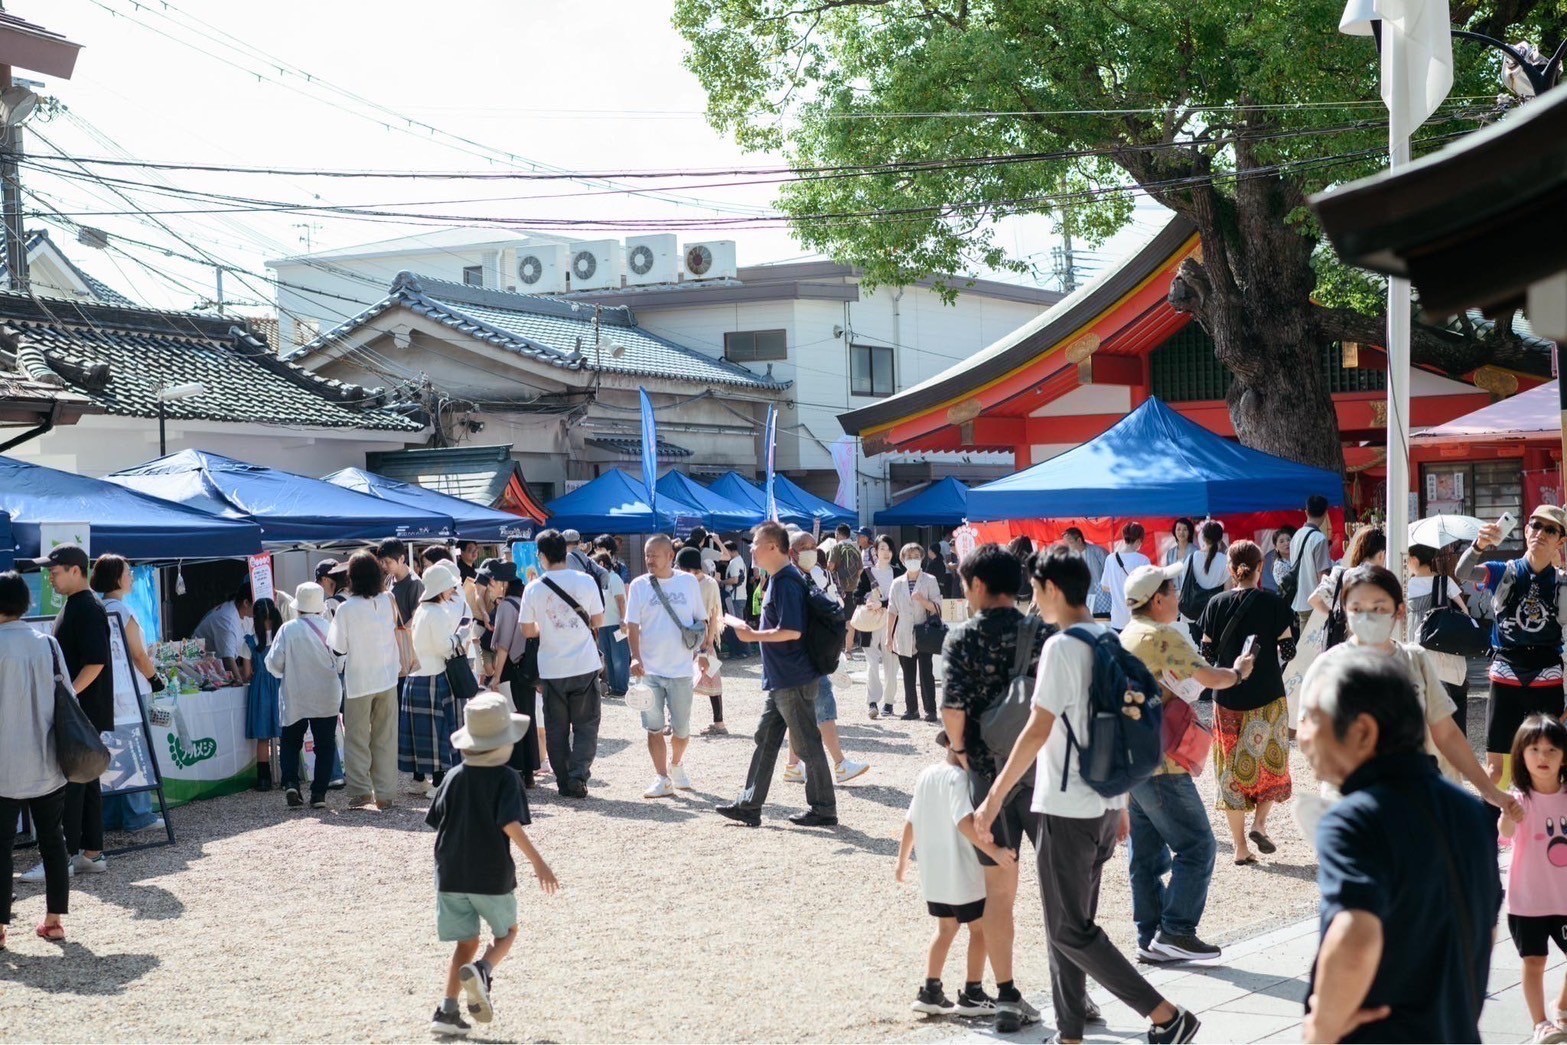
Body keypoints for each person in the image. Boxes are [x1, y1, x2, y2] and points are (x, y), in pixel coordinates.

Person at [974, 548, 1200, 1044]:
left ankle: (1166, 1015)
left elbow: (1037, 729)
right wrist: (1119, 805)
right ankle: (1070, 1033)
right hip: (1100, 805)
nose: (1034, 600)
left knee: (1069, 931)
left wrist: (993, 800)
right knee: (1070, 926)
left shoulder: (1061, 647)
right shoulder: (1107, 637)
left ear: (1052, 589)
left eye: (1035, 590)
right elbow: (1116, 729)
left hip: (1066, 806)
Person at [1299, 649, 1501, 1044]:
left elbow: (1355, 933)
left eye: (1311, 718)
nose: (1302, 732)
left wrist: (1320, 1032)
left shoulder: (1353, 819)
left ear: (1362, 732)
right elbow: (1487, 929)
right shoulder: (1471, 815)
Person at [1301, 565, 1521, 820]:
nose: (1368, 617)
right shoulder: (1328, 666)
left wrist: (1490, 792)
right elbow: (1310, 735)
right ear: (1345, 612)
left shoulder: (1415, 660)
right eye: (1357, 608)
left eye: (1379, 608)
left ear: (1399, 611)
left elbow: (1447, 734)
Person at [939, 543, 1050, 1032]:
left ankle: (1005, 995)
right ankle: (1075, 989)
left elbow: (953, 711)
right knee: (1062, 891)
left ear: (978, 586)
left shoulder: (962, 638)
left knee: (998, 895)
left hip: (988, 780)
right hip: (1046, 773)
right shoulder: (1045, 633)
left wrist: (964, 754)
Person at [1119, 562, 1251, 963]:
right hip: (1163, 763)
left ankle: (1151, 935)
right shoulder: (1161, 635)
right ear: (1157, 599)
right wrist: (1239, 672)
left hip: (1132, 760)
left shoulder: (1127, 634)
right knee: (1197, 846)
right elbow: (1208, 677)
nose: (1179, 596)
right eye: (1174, 590)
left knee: (1145, 856)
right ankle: (1176, 931)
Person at [425, 693, 558, 1038]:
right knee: (507, 932)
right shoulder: (506, 778)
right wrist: (539, 863)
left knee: (464, 943)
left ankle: (447, 1011)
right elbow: (509, 824)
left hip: (451, 875)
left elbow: (437, 822)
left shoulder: (452, 777)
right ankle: (483, 971)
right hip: (491, 874)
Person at [717, 521, 838, 829]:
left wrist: (751, 636)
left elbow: (792, 630)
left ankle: (824, 808)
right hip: (786, 677)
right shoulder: (781, 579)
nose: (751, 550)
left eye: (755, 544)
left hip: (792, 677)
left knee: (807, 743)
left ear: (773, 547)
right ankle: (750, 804)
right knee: (766, 739)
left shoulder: (785, 582)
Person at [1455, 505, 1567, 799]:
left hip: (1548, 676)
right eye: (1535, 525)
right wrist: (1480, 545)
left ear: (1561, 541)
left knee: (1550, 767)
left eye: (1550, 529)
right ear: (1527, 529)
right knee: (1497, 770)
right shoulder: (1503, 571)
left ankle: (1546, 834)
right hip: (1506, 675)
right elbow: (1463, 572)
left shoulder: (1562, 582)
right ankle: (1490, 835)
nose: (1540, 533)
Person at [1196, 541, 1297, 865]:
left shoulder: (1215, 604)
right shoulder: (1274, 602)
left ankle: (1240, 847)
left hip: (1226, 697)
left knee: (1229, 772)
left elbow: (1208, 653)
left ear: (1230, 569)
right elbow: (1288, 650)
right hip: (1267, 694)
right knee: (1272, 762)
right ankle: (1260, 823)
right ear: (1260, 568)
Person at [896, 729, 1005, 1018]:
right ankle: (973, 992)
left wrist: (902, 861)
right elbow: (963, 822)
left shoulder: (926, 774)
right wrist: (994, 852)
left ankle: (930, 990)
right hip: (963, 872)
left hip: (936, 875)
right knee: (979, 928)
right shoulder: (959, 779)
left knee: (944, 930)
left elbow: (911, 821)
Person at [29, 544, 112, 878]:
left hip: (80, 712)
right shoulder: (78, 605)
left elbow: (96, 662)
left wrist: (68, 697)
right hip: (83, 711)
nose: (51, 577)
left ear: (76, 570)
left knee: (70, 784)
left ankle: (61, 858)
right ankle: (91, 853)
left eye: (55, 571)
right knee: (87, 780)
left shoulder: (88, 607)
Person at [0, 571, 71, 943]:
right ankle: (54, 920)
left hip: (3, 766)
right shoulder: (48, 644)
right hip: (47, 759)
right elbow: (68, 700)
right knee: (52, 841)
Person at [520, 529, 605, 799]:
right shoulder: (586, 580)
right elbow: (599, 621)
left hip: (551, 667)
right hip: (584, 664)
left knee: (556, 728)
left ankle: (564, 781)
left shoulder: (533, 587)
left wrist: (546, 626)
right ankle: (578, 775)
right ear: (566, 552)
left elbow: (527, 631)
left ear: (542, 556)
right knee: (586, 725)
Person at [780, 531, 870, 786]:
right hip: (803, 654)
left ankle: (793, 766)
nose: (809, 550)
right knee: (823, 707)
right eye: (802, 546)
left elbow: (836, 602)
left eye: (812, 545)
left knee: (802, 711)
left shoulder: (820, 574)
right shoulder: (787, 578)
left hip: (815, 650)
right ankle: (839, 763)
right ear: (791, 551)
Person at [1499, 715, 1567, 1043]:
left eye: (1552, 750)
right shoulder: (1520, 799)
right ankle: (1540, 1022)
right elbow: (1504, 835)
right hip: (1528, 901)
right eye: (1535, 749)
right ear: (1521, 756)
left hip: (1564, 898)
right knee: (1535, 961)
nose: (1543, 757)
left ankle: (1562, 1008)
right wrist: (1506, 815)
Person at [626, 535, 705, 799]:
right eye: (647, 555)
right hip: (649, 671)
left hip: (681, 669)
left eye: (655, 555)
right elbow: (632, 625)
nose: (649, 559)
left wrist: (704, 651)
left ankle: (677, 763)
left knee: (682, 729)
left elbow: (700, 622)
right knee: (653, 727)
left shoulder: (688, 582)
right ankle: (662, 777)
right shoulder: (639, 585)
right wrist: (635, 657)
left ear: (670, 556)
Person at [90, 554, 164, 835]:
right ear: (117, 578)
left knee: (111, 753)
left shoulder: (96, 609)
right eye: (128, 571)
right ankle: (138, 815)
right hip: (130, 692)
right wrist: (155, 679)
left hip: (107, 692)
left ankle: (110, 816)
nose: (131, 576)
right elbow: (139, 656)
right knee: (135, 750)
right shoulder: (122, 611)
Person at [329, 551, 401, 812]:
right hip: (388, 676)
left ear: (352, 577)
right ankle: (385, 793)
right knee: (385, 736)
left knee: (357, 737)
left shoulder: (346, 608)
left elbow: (337, 646)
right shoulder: (388, 600)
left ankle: (360, 791)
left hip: (359, 679)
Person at [265, 581, 343, 809]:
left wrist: (287, 671)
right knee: (325, 744)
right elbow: (340, 663)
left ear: (298, 607)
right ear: (321, 607)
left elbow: (274, 663)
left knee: (290, 742)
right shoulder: (331, 629)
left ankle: (291, 783)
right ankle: (318, 794)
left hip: (295, 693)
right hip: (326, 694)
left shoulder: (287, 629)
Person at [400, 563, 467, 796]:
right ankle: (439, 783)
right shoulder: (437, 612)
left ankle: (420, 780)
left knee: (421, 733)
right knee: (439, 732)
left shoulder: (422, 610)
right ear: (440, 588)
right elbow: (443, 648)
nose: (452, 591)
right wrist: (460, 637)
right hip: (434, 676)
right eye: (449, 587)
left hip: (416, 676)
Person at [482, 563, 544, 788]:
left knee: (511, 718)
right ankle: (528, 770)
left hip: (511, 668)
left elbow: (503, 646)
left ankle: (516, 769)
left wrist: (496, 677)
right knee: (527, 716)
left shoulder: (506, 607)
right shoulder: (523, 602)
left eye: (492, 583)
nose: (490, 587)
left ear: (503, 584)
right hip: (527, 667)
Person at [1405, 543, 1471, 733]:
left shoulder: (1407, 585)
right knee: (1456, 695)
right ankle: (1458, 744)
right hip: (1445, 646)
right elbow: (1464, 611)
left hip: (1417, 645)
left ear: (1415, 560)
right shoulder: (1445, 581)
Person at [888, 542, 944, 722]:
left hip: (924, 631)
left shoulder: (930, 580)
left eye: (916, 556)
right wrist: (889, 636)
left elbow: (937, 607)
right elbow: (892, 611)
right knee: (908, 672)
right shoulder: (897, 583)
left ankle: (930, 709)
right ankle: (911, 709)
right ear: (903, 560)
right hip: (903, 632)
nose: (913, 560)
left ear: (921, 558)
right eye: (909, 557)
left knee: (926, 671)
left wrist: (922, 600)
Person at [681, 547, 729, 736]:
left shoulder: (707, 584)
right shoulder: (692, 581)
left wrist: (708, 641)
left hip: (700, 637)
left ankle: (719, 722)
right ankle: (677, 721)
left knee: (710, 676)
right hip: (690, 636)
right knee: (682, 680)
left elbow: (714, 613)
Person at [856, 534, 903, 719]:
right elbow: (856, 596)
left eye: (889, 549)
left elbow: (901, 599)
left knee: (892, 662)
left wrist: (882, 605)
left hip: (892, 622)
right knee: (872, 663)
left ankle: (889, 703)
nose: (886, 552)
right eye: (882, 548)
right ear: (875, 551)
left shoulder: (899, 573)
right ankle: (873, 701)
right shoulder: (868, 573)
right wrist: (868, 599)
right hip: (870, 623)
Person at [245, 599, 285, 792]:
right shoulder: (283, 637)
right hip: (281, 684)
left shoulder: (250, 641)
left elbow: (246, 673)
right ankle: (288, 776)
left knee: (263, 737)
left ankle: (264, 779)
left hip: (260, 687)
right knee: (286, 733)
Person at [1308, 525, 1387, 619]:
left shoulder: (1341, 575)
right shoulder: (1382, 581)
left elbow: (1313, 600)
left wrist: (1333, 616)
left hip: (1347, 631)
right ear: (1381, 555)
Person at [1284, 494, 1334, 628]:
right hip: (1315, 601)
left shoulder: (1296, 535)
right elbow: (1322, 574)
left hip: (1300, 599)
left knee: (1304, 644)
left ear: (1306, 512)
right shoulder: (1319, 538)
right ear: (1325, 513)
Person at [192, 582, 254, 684]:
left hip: (217, 667)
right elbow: (228, 659)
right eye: (257, 604)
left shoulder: (246, 615)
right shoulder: (228, 619)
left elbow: (246, 650)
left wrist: (247, 676)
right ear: (246, 603)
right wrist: (239, 682)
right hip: (201, 668)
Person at [1099, 522, 1151, 633]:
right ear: (1138, 541)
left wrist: (1117, 586)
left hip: (1117, 619)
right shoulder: (1143, 560)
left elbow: (1104, 587)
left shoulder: (1110, 559)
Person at [593, 550, 629, 697]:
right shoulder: (601, 580)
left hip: (616, 623)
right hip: (603, 624)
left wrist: (623, 619)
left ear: (602, 564)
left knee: (619, 656)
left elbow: (621, 600)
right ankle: (614, 687)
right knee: (608, 657)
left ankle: (621, 687)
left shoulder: (614, 579)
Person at [1062, 527, 1110, 618]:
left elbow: (1110, 575)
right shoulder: (1069, 557)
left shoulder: (1098, 552)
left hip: (1101, 598)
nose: (1067, 546)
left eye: (1070, 543)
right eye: (1066, 544)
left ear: (1079, 540)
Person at [1261, 527, 1293, 595]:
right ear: (1276, 546)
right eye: (1281, 541)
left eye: (1288, 540)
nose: (1286, 543)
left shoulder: (1294, 558)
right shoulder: (1279, 564)